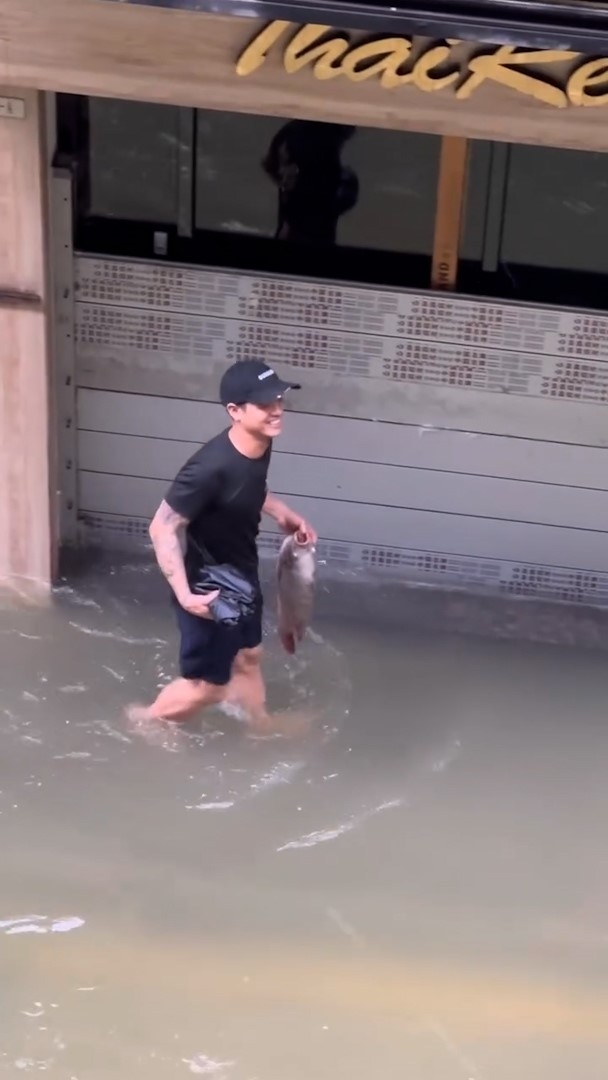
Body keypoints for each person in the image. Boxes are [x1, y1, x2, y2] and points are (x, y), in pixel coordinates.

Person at [126, 359, 317, 733]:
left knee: (250, 655)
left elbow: (248, 486)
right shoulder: (208, 468)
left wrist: (281, 512)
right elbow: (162, 527)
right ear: (235, 411)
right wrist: (185, 595)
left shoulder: (259, 442)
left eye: (279, 400)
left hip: (240, 570)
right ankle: (142, 722)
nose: (277, 410)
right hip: (209, 587)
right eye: (264, 404)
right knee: (208, 688)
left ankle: (259, 725)